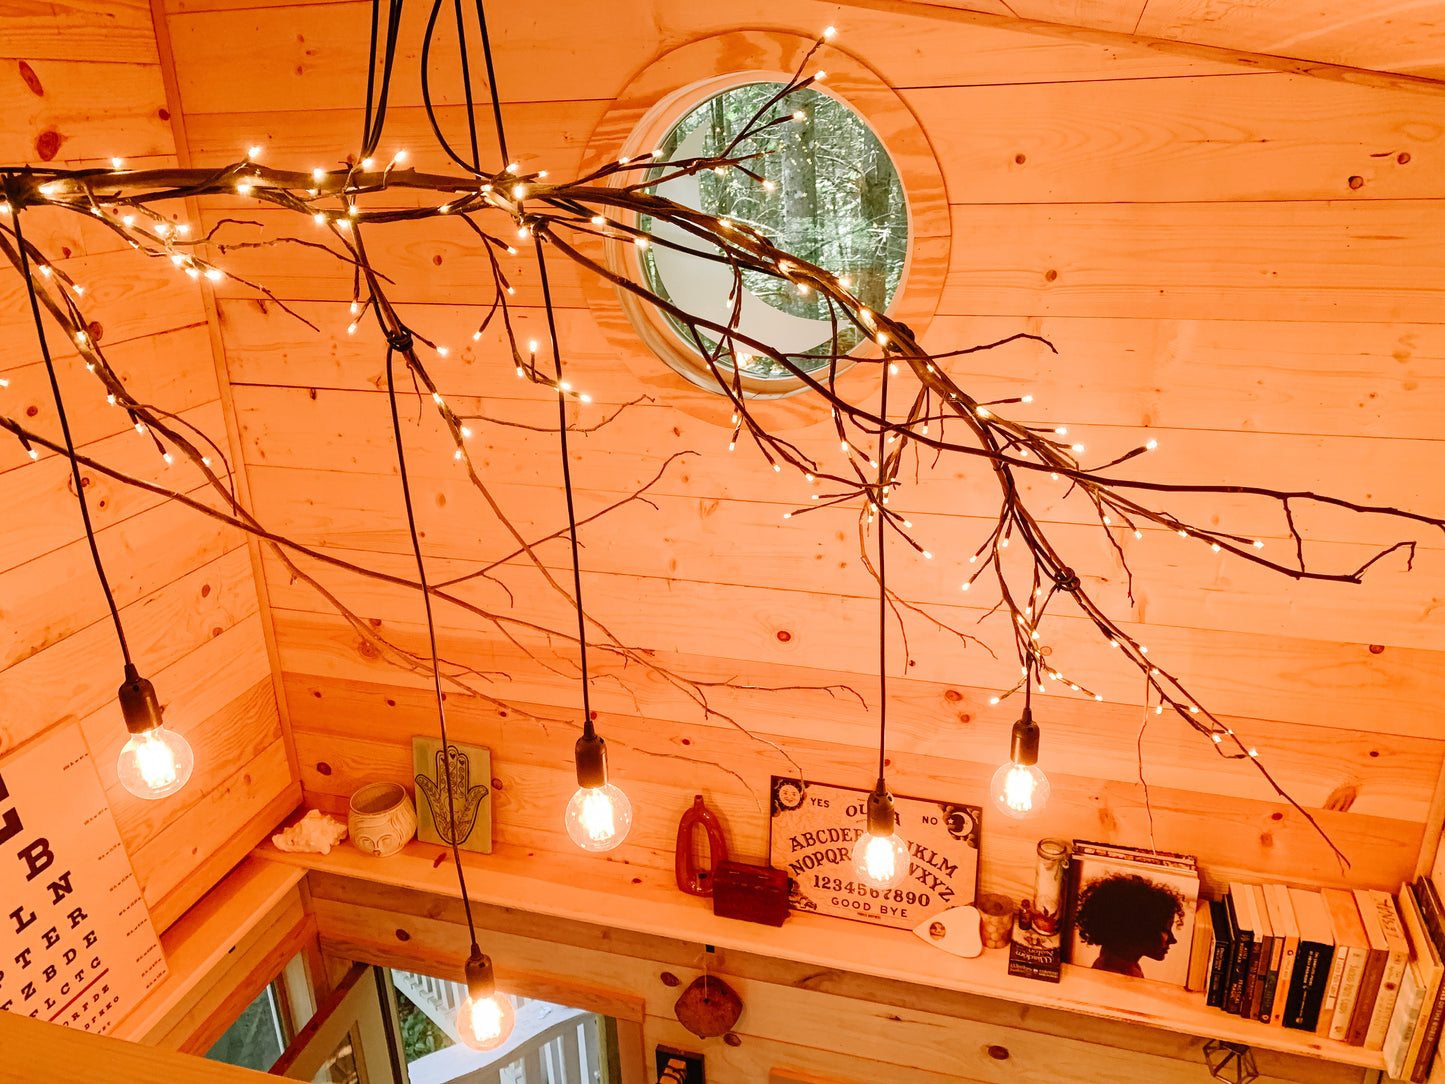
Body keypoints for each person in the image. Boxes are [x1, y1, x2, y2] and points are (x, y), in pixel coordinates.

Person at [1074, 872, 1186, 977]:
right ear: (1139, 929)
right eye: (1166, 929)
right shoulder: (1114, 976)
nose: (1173, 940)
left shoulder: (1126, 967)